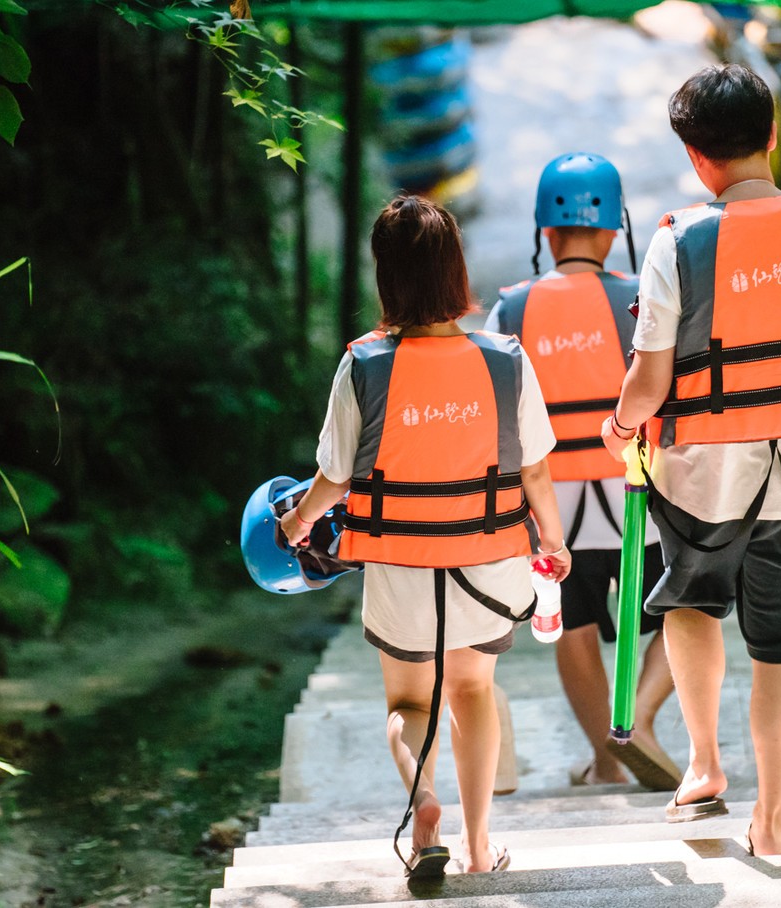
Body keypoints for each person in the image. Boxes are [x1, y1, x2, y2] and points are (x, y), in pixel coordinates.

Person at [601, 63, 781, 857]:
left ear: (697, 158)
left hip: (703, 477)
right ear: (774, 138)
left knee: (694, 606)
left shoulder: (676, 242)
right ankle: (771, 821)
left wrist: (619, 423)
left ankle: (703, 765)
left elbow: (650, 376)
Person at [282, 195, 572, 877]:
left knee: (411, 703)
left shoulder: (363, 364)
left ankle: (423, 811)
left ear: (386, 275)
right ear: (454, 270)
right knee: (473, 692)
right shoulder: (506, 359)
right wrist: (552, 543)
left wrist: (297, 523)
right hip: (490, 557)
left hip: (401, 562)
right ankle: (476, 846)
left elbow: (333, 477)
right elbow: (533, 466)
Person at [486, 152, 681, 791]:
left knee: (572, 626)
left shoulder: (510, 313)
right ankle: (638, 723)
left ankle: (607, 761)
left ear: (546, 230)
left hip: (553, 513)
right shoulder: (640, 297)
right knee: (686, 611)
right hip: (640, 496)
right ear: (614, 229)